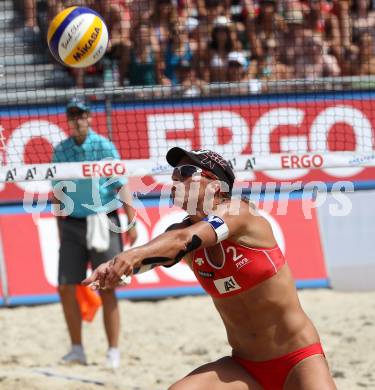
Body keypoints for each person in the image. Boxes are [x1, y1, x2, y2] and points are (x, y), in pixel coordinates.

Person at [83, 147, 337, 389]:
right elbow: (158, 253)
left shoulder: (240, 213)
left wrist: (132, 255)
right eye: (174, 176)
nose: (175, 181)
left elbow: (183, 240)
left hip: (297, 359)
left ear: (216, 185)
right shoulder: (178, 235)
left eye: (185, 174)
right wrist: (113, 269)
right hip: (245, 368)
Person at [51, 98, 137, 369]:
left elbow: (121, 185)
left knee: (108, 287)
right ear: (68, 119)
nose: (77, 119)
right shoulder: (61, 150)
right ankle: (77, 349)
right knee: (66, 287)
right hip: (73, 223)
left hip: (105, 219)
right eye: (72, 115)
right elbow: (57, 192)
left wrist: (132, 221)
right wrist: (59, 228)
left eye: (81, 114)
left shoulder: (103, 145)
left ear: (89, 117)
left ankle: (113, 351)